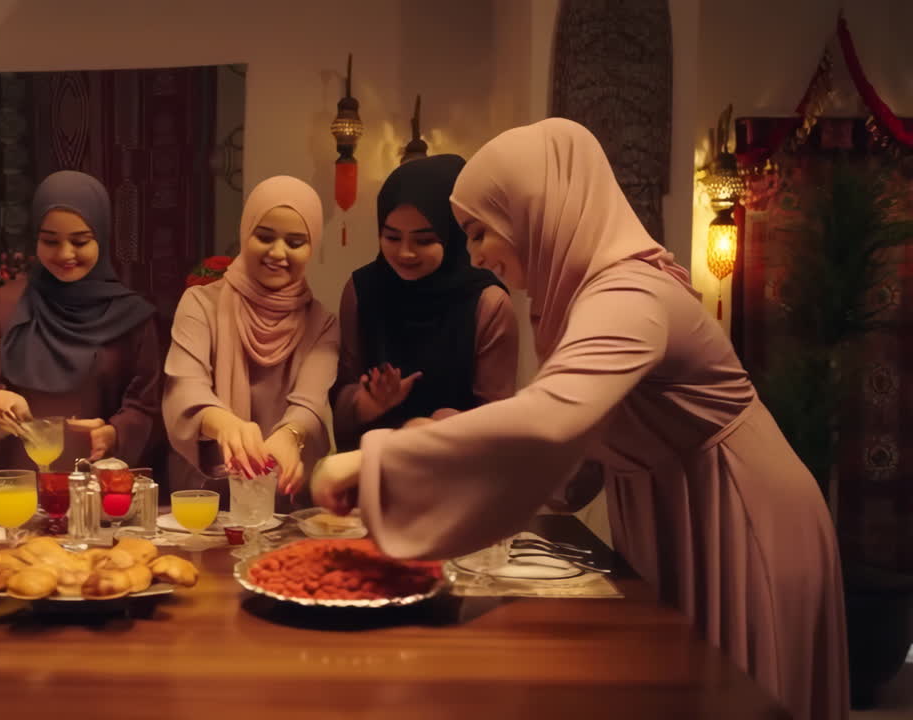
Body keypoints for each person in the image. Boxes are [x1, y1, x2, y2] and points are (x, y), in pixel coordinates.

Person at [311, 118, 847, 720]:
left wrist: (376, 458)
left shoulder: (629, 296)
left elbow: (549, 418)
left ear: (535, 212)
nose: (476, 254)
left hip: (740, 514)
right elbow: (574, 457)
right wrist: (454, 463)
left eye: (481, 230)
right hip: (679, 506)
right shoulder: (585, 300)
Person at [0, 171, 161, 471]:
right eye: (50, 241)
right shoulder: (7, 304)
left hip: (97, 482)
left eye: (80, 241)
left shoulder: (132, 317)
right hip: (22, 479)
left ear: (102, 238)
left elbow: (145, 404)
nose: (65, 254)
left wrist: (115, 432)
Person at [163, 176, 338, 509]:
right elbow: (185, 386)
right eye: (265, 236)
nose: (278, 252)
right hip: (208, 496)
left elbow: (310, 401)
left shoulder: (322, 321)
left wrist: (290, 436)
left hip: (285, 498)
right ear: (245, 234)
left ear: (312, 246)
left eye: (296, 242)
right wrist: (225, 424)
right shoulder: (200, 304)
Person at [332, 154, 517, 450]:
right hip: (372, 470)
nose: (405, 253)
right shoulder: (362, 289)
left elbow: (498, 420)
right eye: (392, 237)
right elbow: (339, 396)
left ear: (453, 233)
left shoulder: (487, 303)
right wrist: (365, 403)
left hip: (455, 472)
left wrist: (448, 424)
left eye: (424, 240)